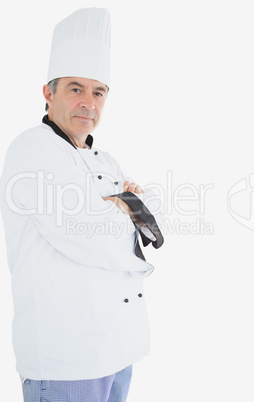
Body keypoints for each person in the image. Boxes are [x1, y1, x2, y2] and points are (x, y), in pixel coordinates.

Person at [0, 8, 163, 402]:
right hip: (66, 359)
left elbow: (153, 213)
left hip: (119, 349)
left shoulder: (105, 161)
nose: (88, 102)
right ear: (48, 93)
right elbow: (85, 233)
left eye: (98, 91)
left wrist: (122, 206)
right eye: (75, 88)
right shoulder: (32, 149)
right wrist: (126, 208)